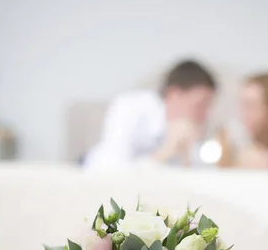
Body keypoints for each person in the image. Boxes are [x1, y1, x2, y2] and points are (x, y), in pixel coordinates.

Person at [84, 60, 217, 170]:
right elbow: (110, 167)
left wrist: (186, 155)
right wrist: (166, 151)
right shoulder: (130, 107)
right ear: (173, 94)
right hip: (88, 165)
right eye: (200, 105)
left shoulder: (193, 128)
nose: (204, 115)